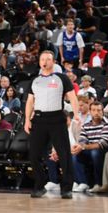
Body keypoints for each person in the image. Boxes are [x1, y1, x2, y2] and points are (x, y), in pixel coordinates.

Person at [25, 51, 80, 199]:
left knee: (64, 154)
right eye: (42, 59)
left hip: (57, 119)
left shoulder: (62, 78)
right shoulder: (35, 80)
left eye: (48, 59)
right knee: (34, 154)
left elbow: (72, 97)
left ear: (53, 62)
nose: (45, 62)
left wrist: (76, 114)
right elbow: (30, 101)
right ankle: (40, 185)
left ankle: (66, 188)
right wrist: (26, 120)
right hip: (38, 119)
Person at [74, 102, 108, 192]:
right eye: (93, 110)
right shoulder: (86, 126)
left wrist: (83, 147)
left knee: (95, 152)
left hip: (107, 150)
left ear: (103, 112)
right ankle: (83, 183)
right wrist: (78, 147)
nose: (96, 113)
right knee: (74, 154)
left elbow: (102, 144)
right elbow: (82, 140)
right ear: (90, 112)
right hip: (90, 149)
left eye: (99, 110)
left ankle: (99, 183)